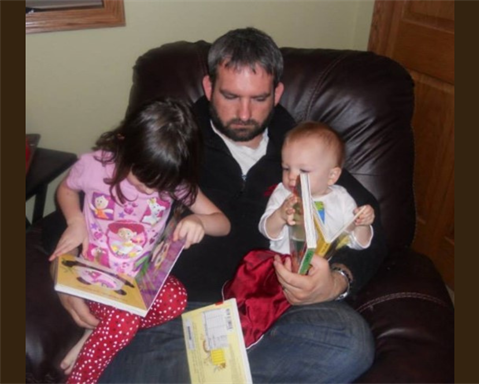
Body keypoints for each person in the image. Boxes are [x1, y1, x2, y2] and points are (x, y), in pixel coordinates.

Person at [59, 27, 387, 384]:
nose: (244, 112)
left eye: (259, 99)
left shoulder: (304, 149)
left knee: (348, 343)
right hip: (173, 313)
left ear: (277, 93)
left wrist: (337, 281)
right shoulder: (172, 141)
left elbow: (371, 220)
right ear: (208, 87)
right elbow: (83, 201)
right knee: (119, 355)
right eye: (230, 95)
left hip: (271, 311)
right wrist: (61, 272)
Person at [49, 97, 230, 384]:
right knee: (123, 321)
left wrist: (199, 221)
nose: (150, 189)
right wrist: (75, 221)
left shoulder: (174, 181)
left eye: (161, 185)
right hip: (94, 277)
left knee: (176, 300)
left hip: (135, 281)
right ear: (124, 144)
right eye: (143, 178)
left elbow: (223, 223)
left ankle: (100, 334)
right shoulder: (97, 165)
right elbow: (65, 189)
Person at [223, 121, 375, 347]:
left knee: (330, 332)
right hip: (281, 268)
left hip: (317, 274)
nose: (292, 177)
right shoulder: (283, 193)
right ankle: (237, 342)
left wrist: (362, 223)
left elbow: (358, 244)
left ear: (332, 176)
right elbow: (267, 230)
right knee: (256, 309)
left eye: (303, 171)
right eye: (286, 168)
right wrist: (280, 216)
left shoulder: (341, 199)